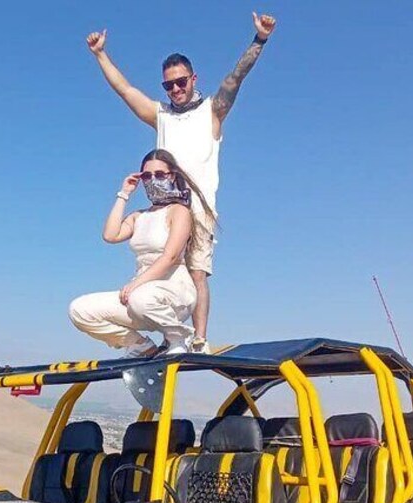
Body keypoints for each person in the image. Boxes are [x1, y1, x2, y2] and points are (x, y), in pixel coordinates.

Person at [86, 12, 277, 352]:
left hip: (199, 208)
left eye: (181, 82)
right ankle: (166, 339)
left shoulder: (212, 111)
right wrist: (100, 54)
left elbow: (235, 79)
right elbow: (125, 90)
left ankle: (199, 338)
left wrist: (259, 39)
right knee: (163, 270)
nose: (175, 89)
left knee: (198, 273)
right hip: (165, 208)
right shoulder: (160, 115)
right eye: (168, 85)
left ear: (193, 78)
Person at [70, 149, 197, 357]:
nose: (152, 180)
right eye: (147, 176)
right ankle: (140, 345)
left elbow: (171, 256)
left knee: (140, 298)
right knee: (80, 309)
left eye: (159, 174)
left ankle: (179, 338)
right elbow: (110, 235)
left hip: (174, 291)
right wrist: (124, 194)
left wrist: (136, 284)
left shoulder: (179, 211)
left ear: (172, 176)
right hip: (141, 294)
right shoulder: (139, 216)